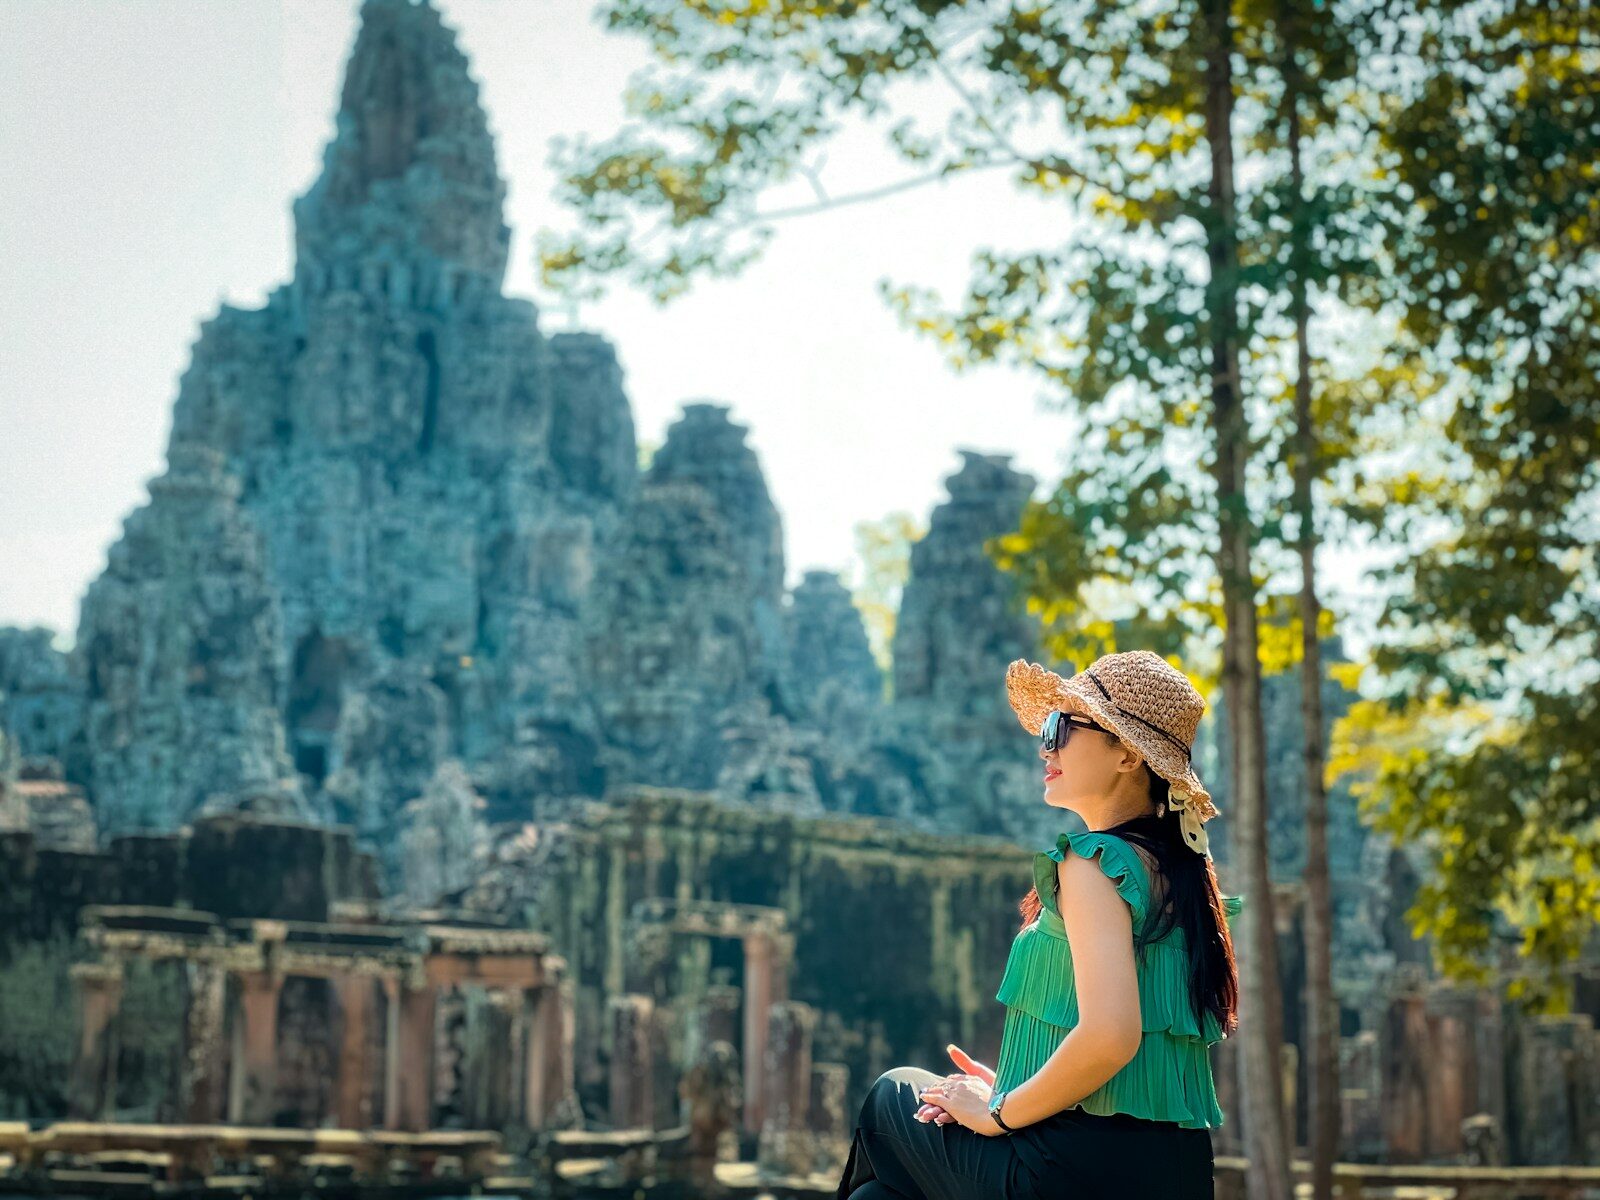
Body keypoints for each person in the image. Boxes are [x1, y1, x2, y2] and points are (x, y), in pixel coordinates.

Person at [835, 650, 1245, 1200]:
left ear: (1126, 752)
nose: (1044, 746)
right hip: (1173, 1171)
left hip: (1075, 1169)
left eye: (1061, 726)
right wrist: (1017, 1086)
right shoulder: (1186, 876)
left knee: (891, 1096)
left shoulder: (1092, 862)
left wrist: (1000, 1112)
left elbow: (1111, 1035)